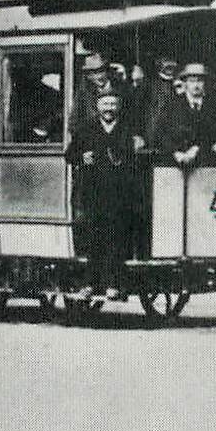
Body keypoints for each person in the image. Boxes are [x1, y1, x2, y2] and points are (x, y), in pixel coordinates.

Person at [65, 89, 144, 290]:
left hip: (120, 193)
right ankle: (90, 283)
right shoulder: (86, 129)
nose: (109, 109)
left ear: (118, 107)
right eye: (105, 104)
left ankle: (113, 285)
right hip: (93, 193)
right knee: (93, 239)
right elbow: (69, 155)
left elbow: (138, 157)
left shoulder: (128, 129)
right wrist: (81, 157)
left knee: (117, 239)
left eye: (112, 104)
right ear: (98, 107)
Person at [159, 64, 216, 167]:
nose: (196, 85)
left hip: (208, 166)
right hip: (176, 165)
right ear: (185, 83)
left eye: (199, 81)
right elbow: (162, 133)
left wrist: (200, 148)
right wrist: (175, 152)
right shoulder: (172, 105)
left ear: (205, 83)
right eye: (192, 81)